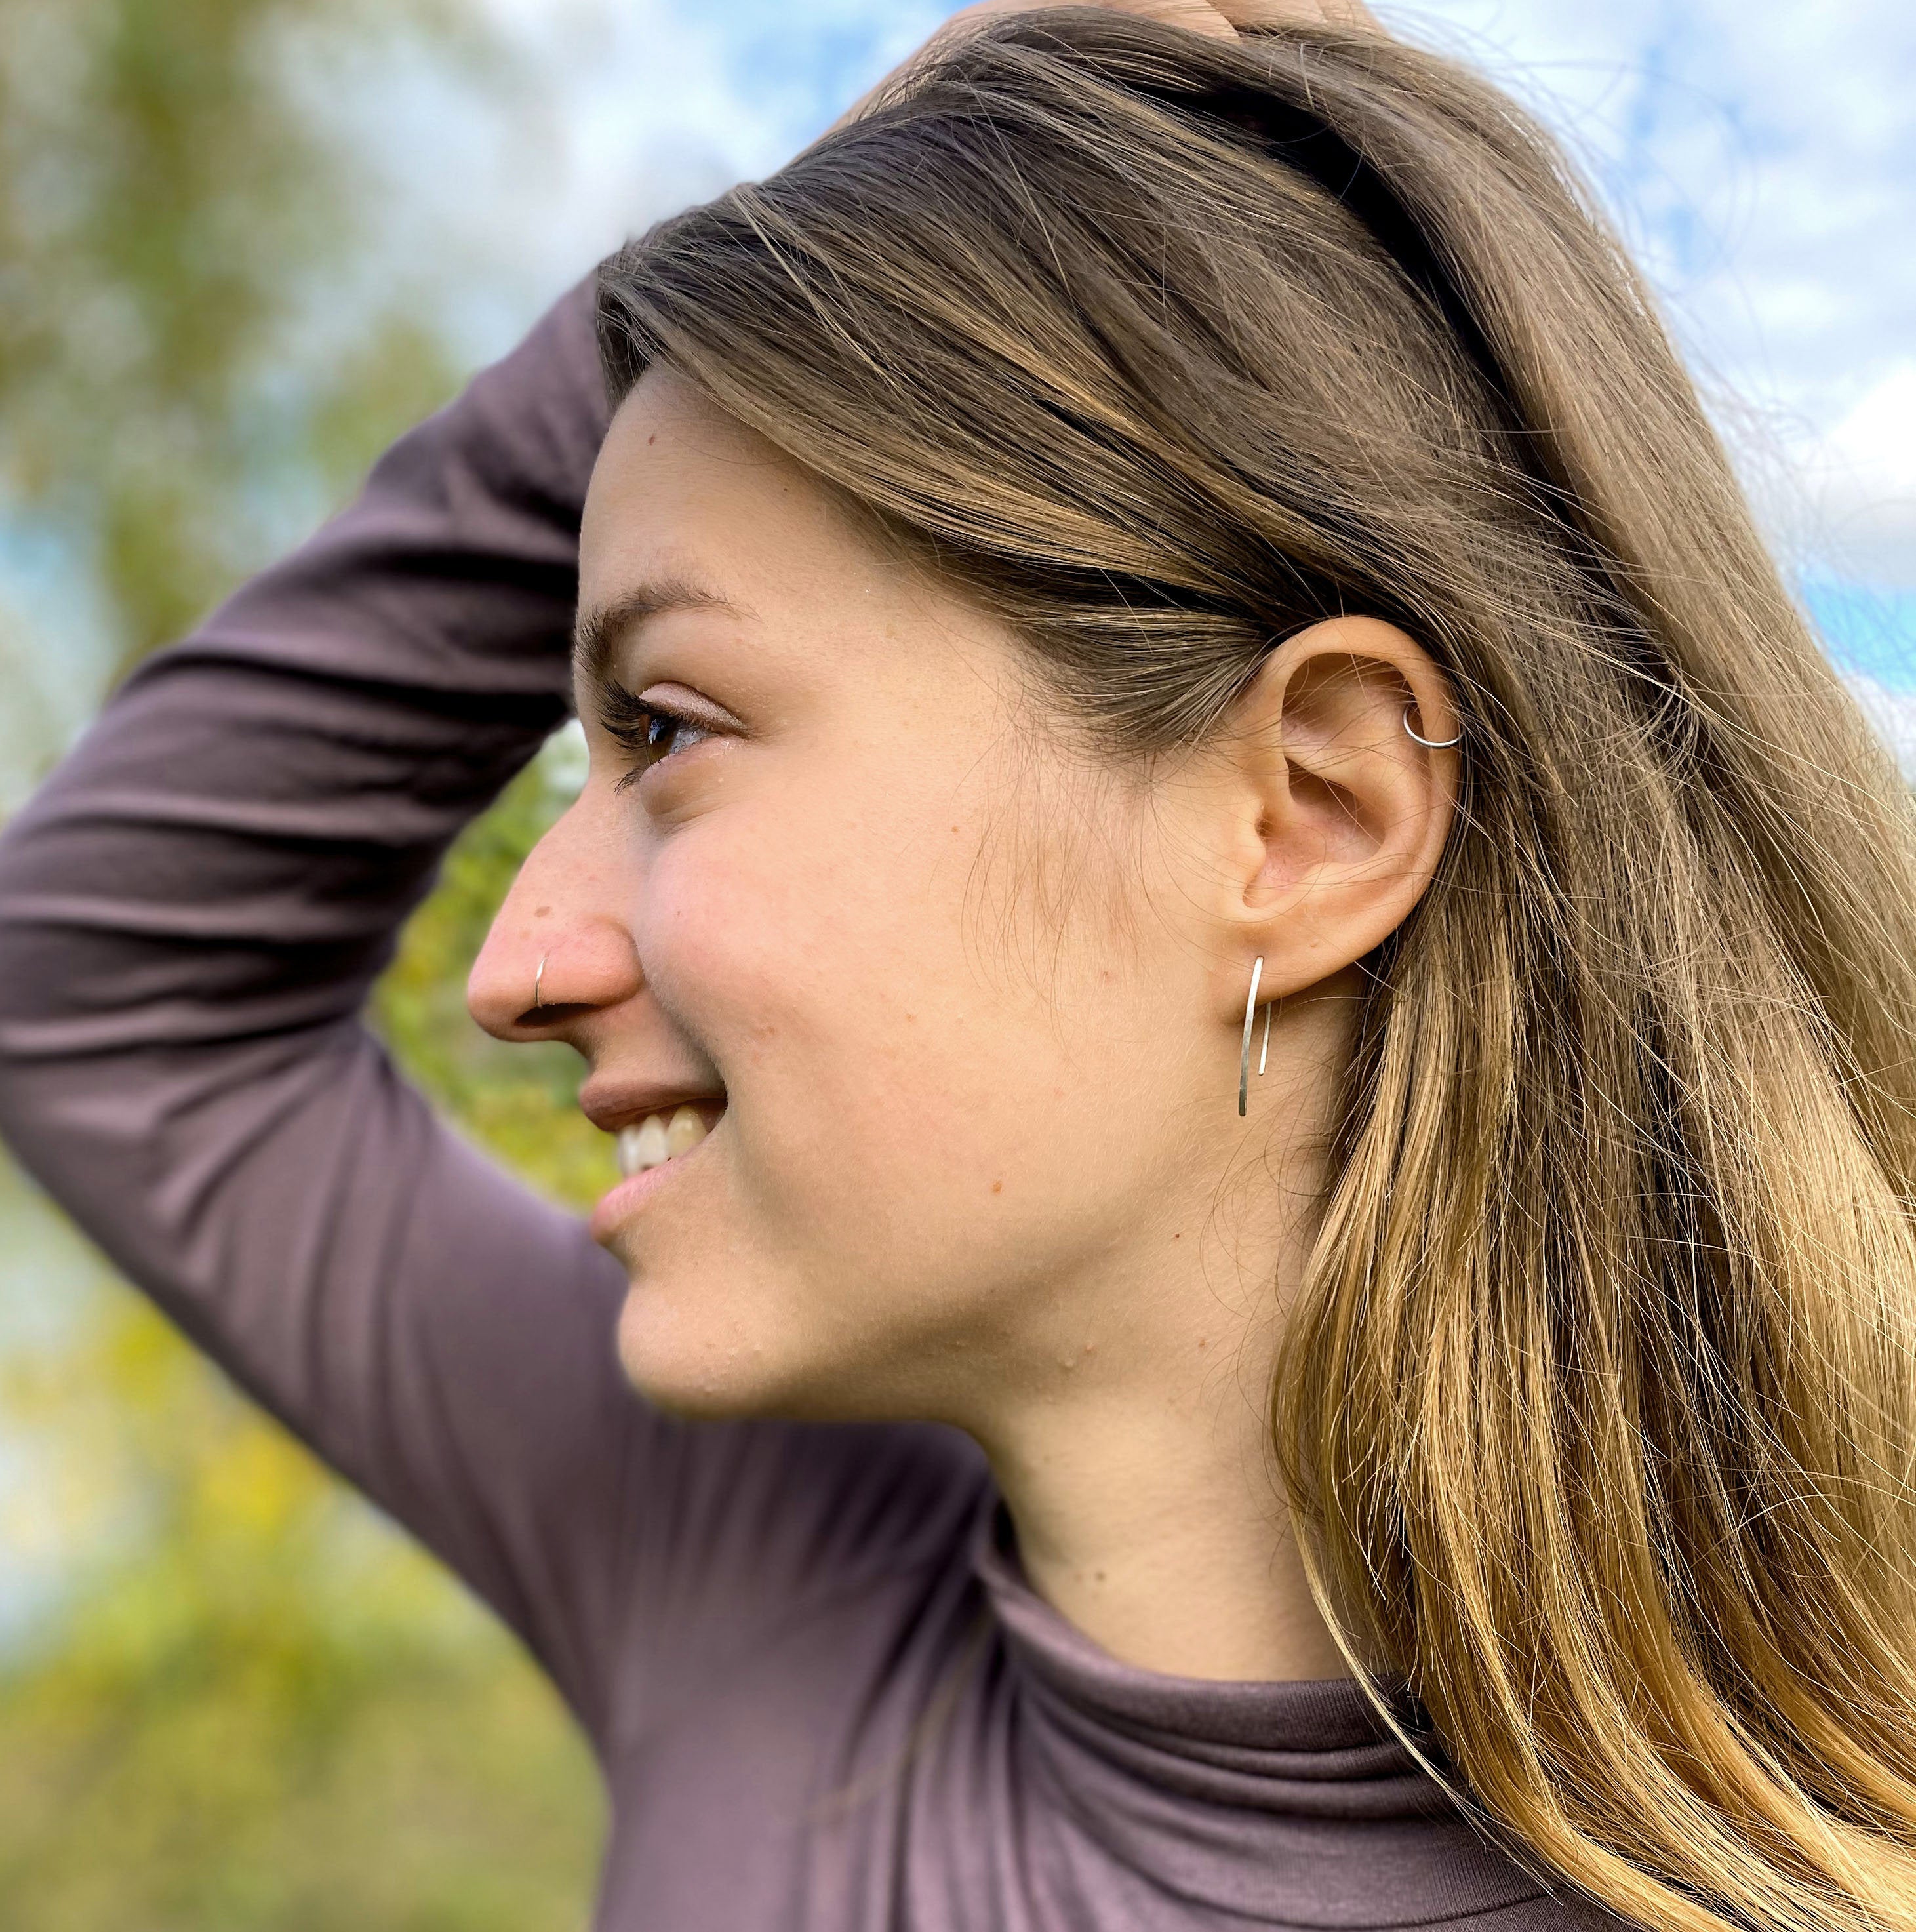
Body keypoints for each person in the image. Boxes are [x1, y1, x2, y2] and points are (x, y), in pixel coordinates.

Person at [3, 3, 1913, 1928]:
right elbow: (94, 991)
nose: (518, 963)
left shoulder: (752, 1589)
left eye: (664, 731)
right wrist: (747, 292)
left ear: (1307, 815)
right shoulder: (754, 1574)